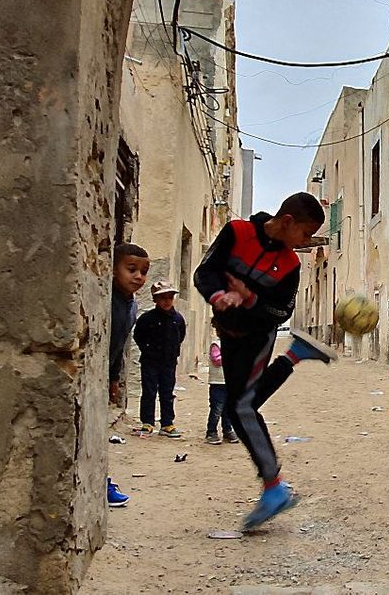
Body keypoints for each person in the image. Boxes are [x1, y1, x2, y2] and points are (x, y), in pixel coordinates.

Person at [194, 192, 338, 530]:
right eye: (305, 234)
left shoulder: (290, 265)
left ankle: (273, 487)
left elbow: (281, 311)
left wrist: (248, 298)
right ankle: (295, 355)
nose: (306, 242)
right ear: (287, 222)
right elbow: (205, 272)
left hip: (258, 338)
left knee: (240, 408)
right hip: (228, 335)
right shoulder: (237, 232)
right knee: (243, 406)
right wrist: (219, 296)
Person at [108, 242, 150, 508]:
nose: (139, 277)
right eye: (131, 269)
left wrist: (114, 378)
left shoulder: (131, 306)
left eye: (144, 271)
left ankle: (103, 480)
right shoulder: (106, 300)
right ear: (112, 269)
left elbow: (119, 344)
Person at [133, 281, 187, 438]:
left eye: (170, 297)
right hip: (150, 362)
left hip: (169, 362)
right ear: (155, 300)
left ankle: (167, 424)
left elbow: (180, 336)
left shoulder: (178, 319)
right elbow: (138, 336)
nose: (167, 301)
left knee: (167, 392)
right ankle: (147, 422)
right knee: (149, 391)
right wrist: (148, 350)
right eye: (162, 298)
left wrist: (171, 351)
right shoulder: (147, 318)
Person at [205, 332, 238, 445]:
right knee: (217, 409)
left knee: (228, 409)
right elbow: (217, 360)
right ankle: (211, 432)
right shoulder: (216, 345)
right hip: (218, 383)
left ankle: (227, 430)